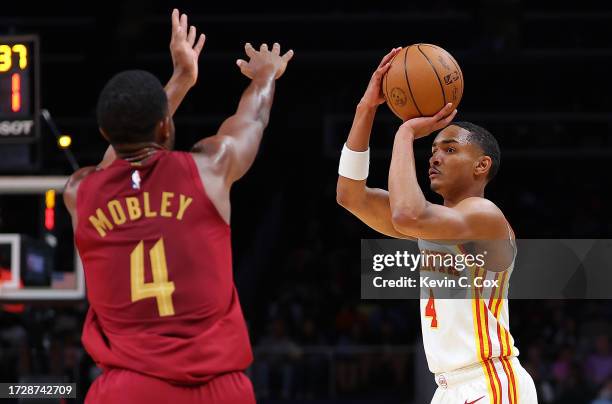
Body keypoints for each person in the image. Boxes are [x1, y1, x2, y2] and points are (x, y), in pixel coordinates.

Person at [63, 9, 293, 403]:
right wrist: (265, 75)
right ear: (166, 125)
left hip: (127, 390)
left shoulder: (80, 193)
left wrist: (180, 82)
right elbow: (252, 118)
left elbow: (112, 161)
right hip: (219, 390)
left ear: (104, 133)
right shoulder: (211, 167)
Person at [336, 48, 538, 403]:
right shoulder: (433, 223)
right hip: (448, 387)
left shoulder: (484, 215)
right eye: (432, 150)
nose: (434, 156)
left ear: (481, 165)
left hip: (490, 380)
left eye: (449, 149)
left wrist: (403, 135)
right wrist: (366, 109)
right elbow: (349, 195)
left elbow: (406, 214)